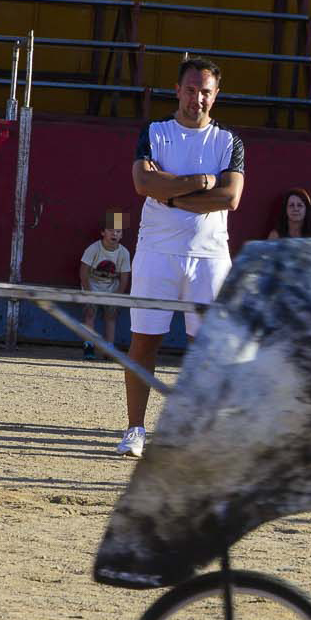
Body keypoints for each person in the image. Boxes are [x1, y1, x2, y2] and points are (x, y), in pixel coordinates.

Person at [118, 58, 243, 459]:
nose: (198, 98)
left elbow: (231, 197)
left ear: (216, 94)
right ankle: (135, 428)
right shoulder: (155, 132)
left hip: (210, 254)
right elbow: (142, 182)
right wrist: (200, 183)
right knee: (144, 340)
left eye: (206, 91)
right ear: (177, 90)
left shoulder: (228, 141)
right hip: (156, 250)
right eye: (191, 90)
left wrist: (169, 192)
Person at [78, 208, 132, 358]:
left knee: (111, 315)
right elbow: (83, 271)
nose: (115, 234)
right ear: (103, 233)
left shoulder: (124, 253)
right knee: (90, 313)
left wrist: (117, 298)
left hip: (111, 288)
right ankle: (89, 345)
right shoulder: (94, 249)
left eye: (118, 231)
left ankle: (109, 348)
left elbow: (124, 277)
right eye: (111, 230)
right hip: (92, 285)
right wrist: (89, 292)